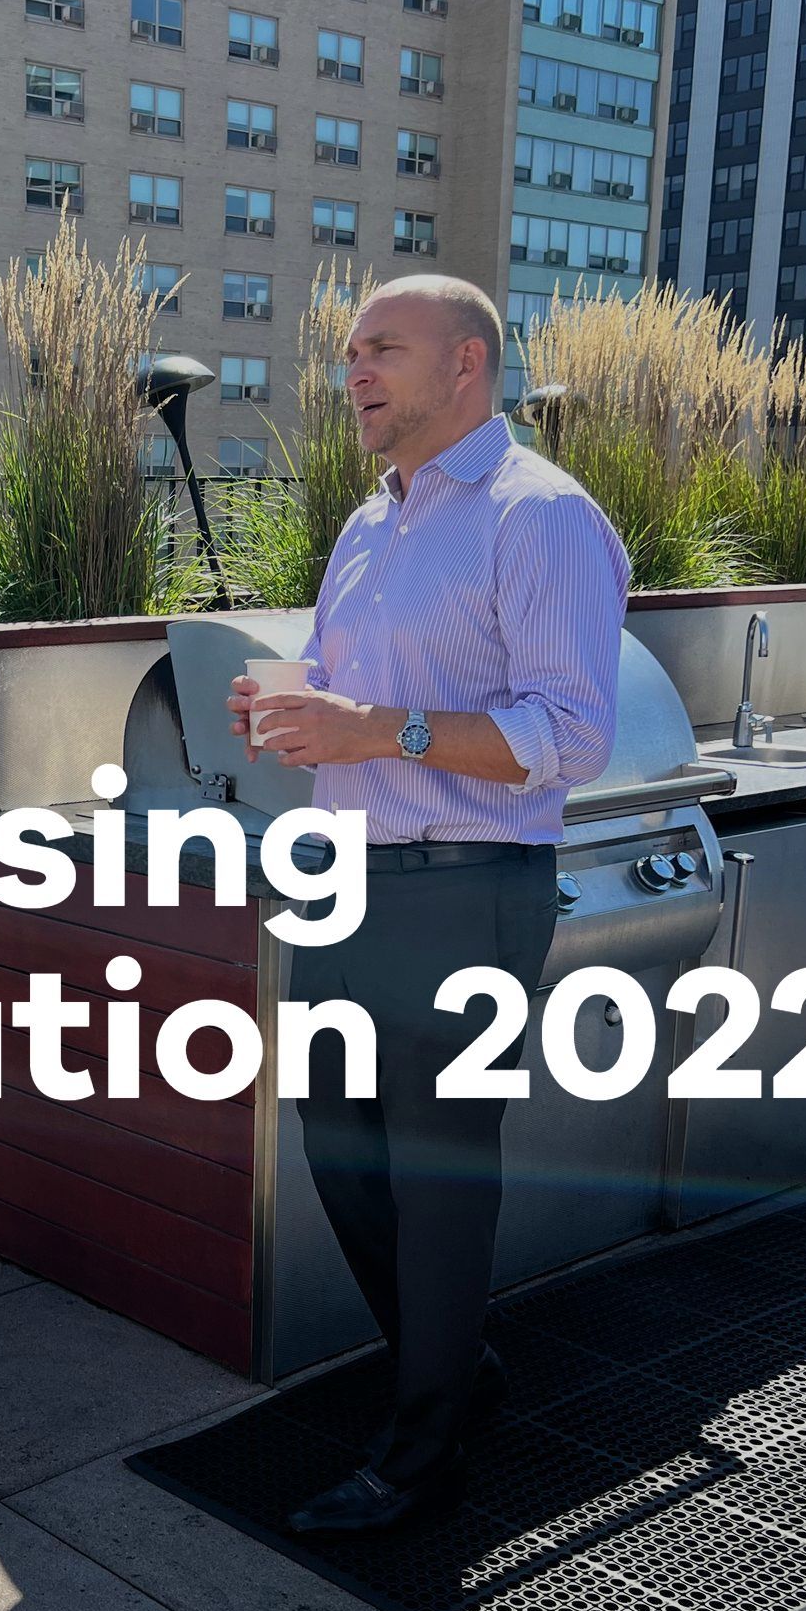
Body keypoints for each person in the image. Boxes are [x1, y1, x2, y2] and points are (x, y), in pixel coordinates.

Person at [233, 276, 629, 1532]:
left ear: (467, 364)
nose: (354, 369)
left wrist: (379, 727)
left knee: (440, 1178)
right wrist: (291, 717)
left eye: (381, 349)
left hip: (464, 893)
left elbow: (570, 737)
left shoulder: (541, 516)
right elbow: (352, 706)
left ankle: (420, 1454)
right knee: (341, 1156)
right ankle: (453, 1374)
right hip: (345, 889)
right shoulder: (370, 525)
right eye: (349, 348)